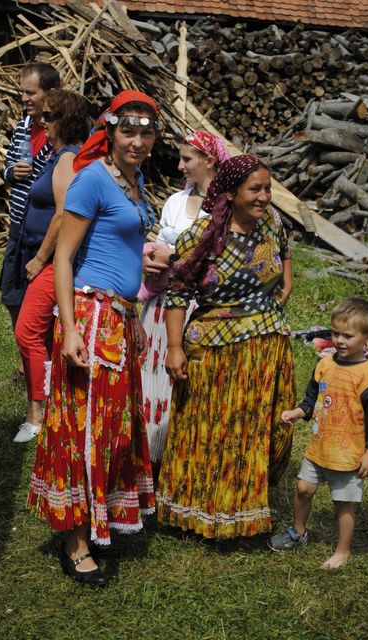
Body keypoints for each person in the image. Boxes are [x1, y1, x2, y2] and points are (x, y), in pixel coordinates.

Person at [27, 90, 159, 586]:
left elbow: (121, 247)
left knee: (113, 429)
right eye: (128, 131)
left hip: (120, 315)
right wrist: (69, 329)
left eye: (146, 132)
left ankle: (100, 517)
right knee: (85, 430)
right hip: (91, 316)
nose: (137, 141)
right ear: (110, 130)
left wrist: (136, 309)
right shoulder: (93, 179)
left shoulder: (133, 179)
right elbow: (64, 257)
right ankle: (76, 542)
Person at [156, 154, 295, 539]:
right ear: (231, 193)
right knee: (211, 432)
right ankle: (197, 511)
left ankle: (245, 507)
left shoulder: (273, 222)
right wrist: (174, 347)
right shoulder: (202, 236)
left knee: (258, 431)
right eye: (255, 189)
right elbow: (177, 295)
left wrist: (270, 309)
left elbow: (285, 270)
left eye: (268, 189)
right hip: (215, 349)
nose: (264, 197)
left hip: (265, 346)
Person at [268, 297, 368, 569]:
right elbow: (313, 398)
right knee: (303, 489)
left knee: (343, 503)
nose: (340, 340)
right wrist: (298, 412)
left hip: (348, 455)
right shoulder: (325, 364)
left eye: (348, 336)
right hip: (319, 447)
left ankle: (342, 551)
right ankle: (298, 532)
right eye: (335, 333)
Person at [139, 131, 230, 474]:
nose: (180, 166)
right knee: (153, 378)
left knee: (186, 382)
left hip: (197, 306)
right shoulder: (176, 202)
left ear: (209, 160)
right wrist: (148, 259)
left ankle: (183, 459)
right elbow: (160, 241)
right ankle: (150, 457)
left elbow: (221, 257)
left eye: (187, 159)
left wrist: (175, 257)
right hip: (161, 305)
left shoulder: (225, 207)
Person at [13, 90, 90, 443]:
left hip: (53, 261)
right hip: (42, 256)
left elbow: (63, 214)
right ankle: (53, 403)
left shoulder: (68, 158)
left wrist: (41, 257)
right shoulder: (57, 155)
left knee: (27, 332)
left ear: (64, 121)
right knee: (43, 334)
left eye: (48, 116)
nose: (41, 121)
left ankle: (36, 413)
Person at [0, 62, 61, 377]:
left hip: (44, 233)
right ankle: (26, 362)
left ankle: (45, 364)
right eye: (22, 92)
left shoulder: (61, 132)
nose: (24, 98)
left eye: (30, 92)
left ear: (51, 92)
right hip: (18, 225)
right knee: (12, 295)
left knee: (42, 302)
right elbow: (7, 166)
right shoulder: (24, 126)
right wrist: (12, 172)